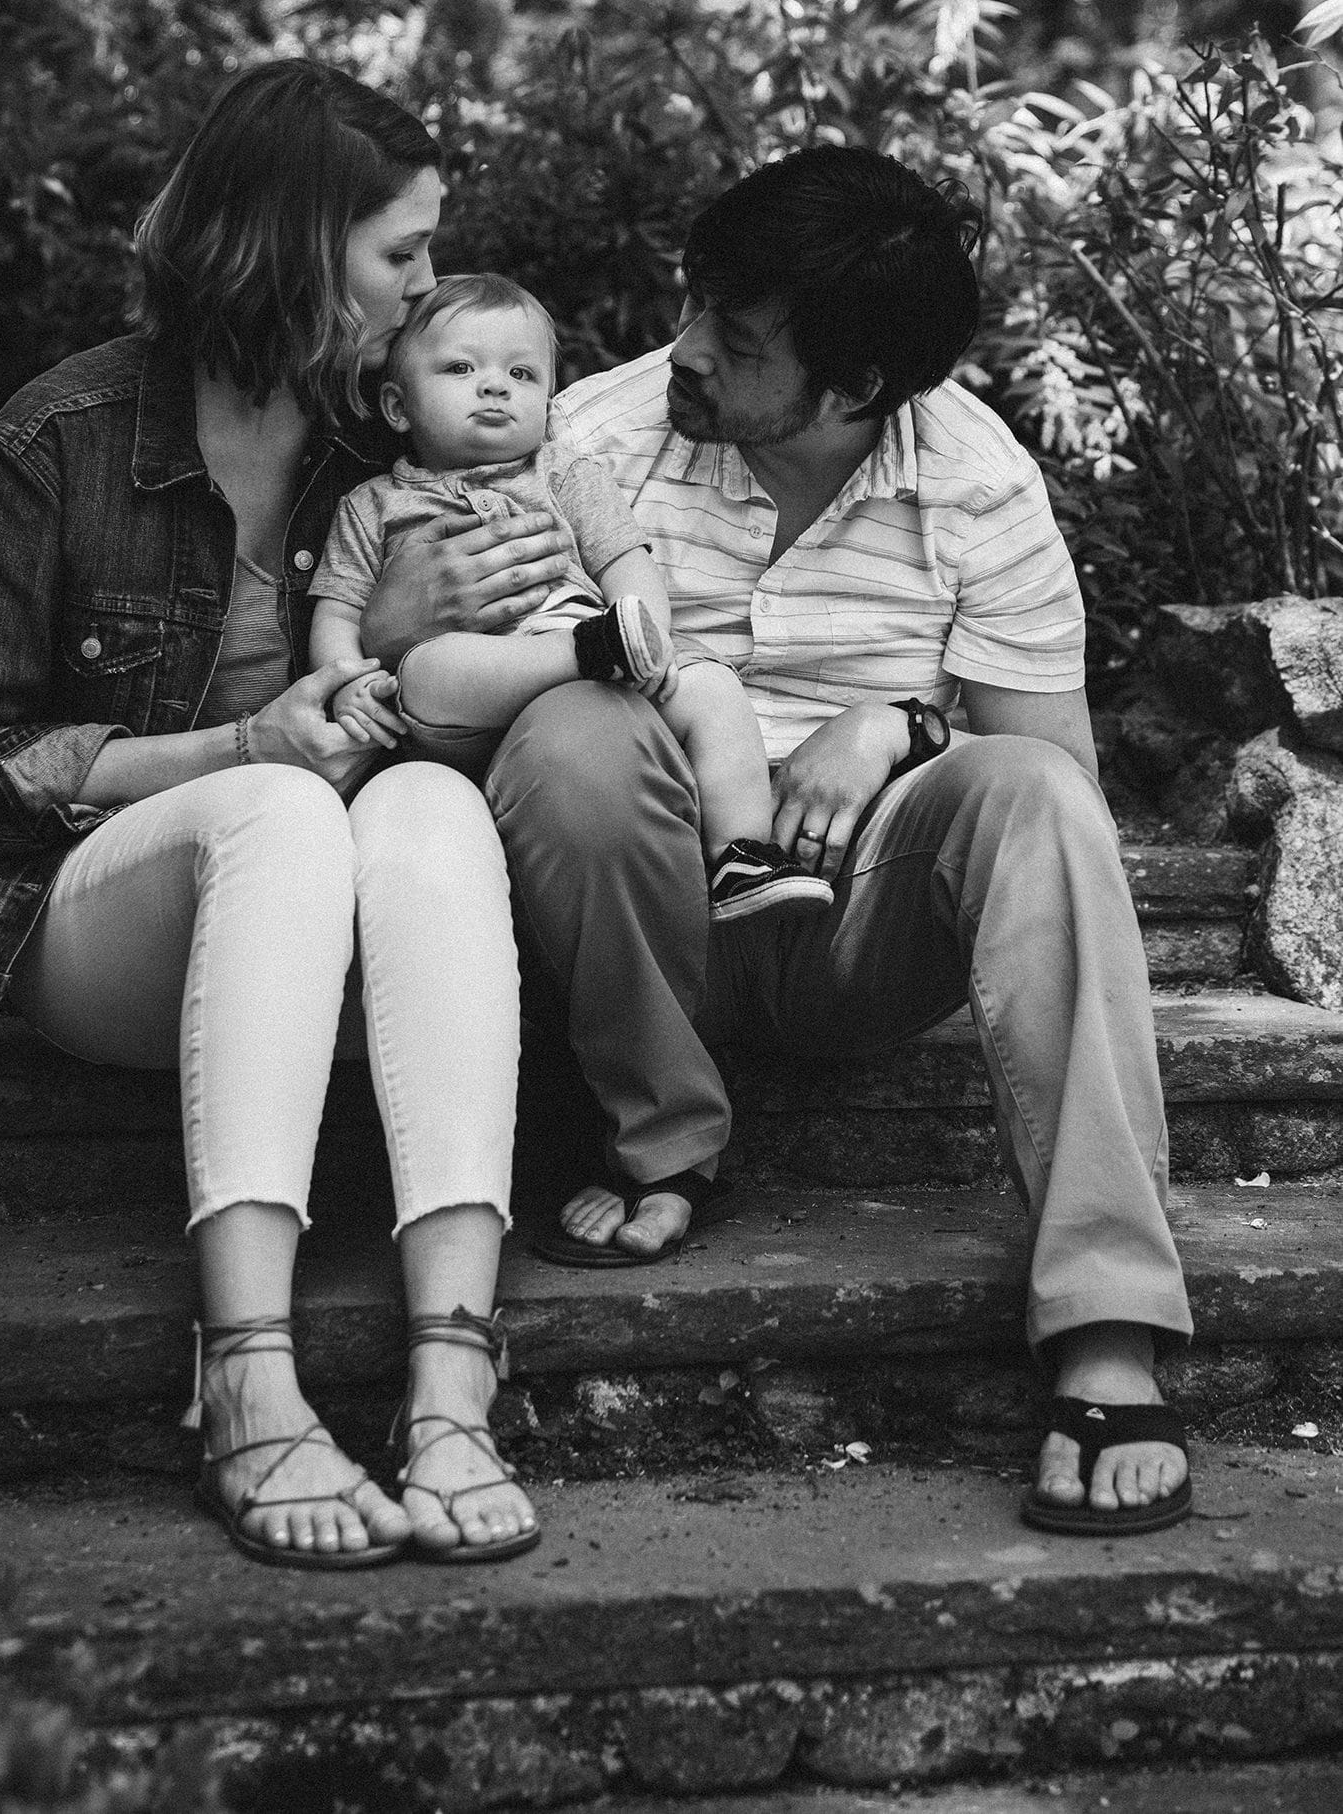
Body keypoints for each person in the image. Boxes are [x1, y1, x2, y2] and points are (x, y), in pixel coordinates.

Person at [484, 143, 1195, 1534]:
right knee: (569, 730)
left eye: (734, 339)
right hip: (634, 915)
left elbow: (1058, 777)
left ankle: (1110, 1326)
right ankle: (657, 1143)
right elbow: (487, 704)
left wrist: (898, 726)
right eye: (696, 306)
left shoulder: (977, 482)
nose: (683, 348)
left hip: (854, 929)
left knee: (1037, 802)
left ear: (857, 387)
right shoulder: (594, 440)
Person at [0, 60, 542, 1570]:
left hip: (337, 934)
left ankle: (453, 1380)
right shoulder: (57, 440)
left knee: (433, 807)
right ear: (291, 250)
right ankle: (249, 1377)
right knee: (275, 811)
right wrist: (242, 744)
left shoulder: (390, 445)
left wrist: (395, 642)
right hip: (91, 917)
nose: (431, 291)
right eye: (402, 256)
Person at [308, 271, 834, 924]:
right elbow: (336, 608)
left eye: (522, 375)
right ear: (397, 405)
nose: (495, 385)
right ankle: (584, 652)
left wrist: (650, 635)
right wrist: (346, 683)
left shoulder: (565, 472)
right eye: (460, 367)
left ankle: (742, 854)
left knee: (715, 689)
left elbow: (626, 562)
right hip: (470, 696)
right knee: (429, 670)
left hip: (602, 663)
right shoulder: (374, 504)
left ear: (550, 403)